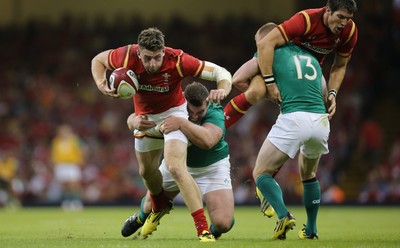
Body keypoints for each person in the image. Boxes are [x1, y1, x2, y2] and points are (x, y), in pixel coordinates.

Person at [91, 27, 232, 242]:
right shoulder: (127, 54)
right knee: (146, 172)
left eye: (157, 57)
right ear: (139, 52)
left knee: (175, 166)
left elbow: (220, 72)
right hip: (145, 119)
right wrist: (101, 84)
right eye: (148, 58)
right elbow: (97, 61)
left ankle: (202, 229)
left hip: (174, 114)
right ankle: (157, 208)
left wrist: (222, 88)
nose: (153, 64)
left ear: (164, 51)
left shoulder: (177, 60)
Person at [121, 82, 234, 240]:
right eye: (190, 111)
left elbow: (208, 141)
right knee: (149, 206)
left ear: (207, 104)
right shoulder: (172, 106)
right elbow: (134, 117)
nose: (194, 116)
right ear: (183, 103)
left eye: (200, 112)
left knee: (223, 223)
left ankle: (213, 231)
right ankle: (140, 217)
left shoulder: (215, 112)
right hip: (177, 165)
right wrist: (134, 122)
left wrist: (182, 122)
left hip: (211, 168)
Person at [224, 0, 358, 129]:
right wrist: (271, 86)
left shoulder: (349, 31)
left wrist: (333, 93)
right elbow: (265, 45)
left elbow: (340, 66)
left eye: (348, 18)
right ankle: (218, 129)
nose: (343, 23)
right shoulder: (306, 19)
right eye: (340, 17)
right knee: (319, 116)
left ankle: (219, 127)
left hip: (309, 73)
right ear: (328, 10)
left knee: (256, 92)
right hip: (292, 71)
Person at [252, 40, 330, 240]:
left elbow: (239, 78)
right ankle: (311, 230)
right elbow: (324, 91)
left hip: (294, 117)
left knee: (261, 172)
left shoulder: (270, 53)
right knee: (309, 174)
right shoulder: (311, 57)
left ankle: (283, 215)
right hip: (320, 119)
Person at [50, 124, 85, 211]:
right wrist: (53, 161)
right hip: (61, 164)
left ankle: (76, 201)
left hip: (71, 164)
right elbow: (54, 153)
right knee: (64, 185)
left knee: (73, 184)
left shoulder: (74, 139)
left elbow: (82, 149)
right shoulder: (56, 141)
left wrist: (80, 158)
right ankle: (67, 202)